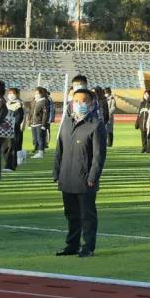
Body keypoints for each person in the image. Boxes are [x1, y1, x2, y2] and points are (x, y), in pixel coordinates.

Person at [53, 87, 107, 258]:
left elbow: (99, 155)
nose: (79, 104)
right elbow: (59, 149)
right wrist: (56, 172)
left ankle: (88, 246)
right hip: (67, 176)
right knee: (71, 214)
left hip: (85, 179)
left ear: (91, 103)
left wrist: (93, 176)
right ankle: (72, 244)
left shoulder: (96, 125)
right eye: (76, 101)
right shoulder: (67, 122)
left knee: (87, 215)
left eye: (84, 101)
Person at [5, 87, 26, 171]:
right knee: (8, 147)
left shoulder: (19, 104)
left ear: (17, 94)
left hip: (15, 129)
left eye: (12, 93)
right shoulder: (7, 103)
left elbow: (19, 118)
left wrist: (11, 125)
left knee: (14, 147)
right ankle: (11, 163)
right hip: (6, 129)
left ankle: (12, 165)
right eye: (9, 93)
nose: (10, 95)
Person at [29, 87, 52, 159]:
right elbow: (31, 112)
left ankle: (41, 152)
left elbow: (45, 114)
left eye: (38, 93)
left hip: (39, 123)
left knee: (40, 138)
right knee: (35, 139)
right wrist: (29, 122)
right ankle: (37, 151)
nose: (36, 95)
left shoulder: (44, 101)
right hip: (33, 123)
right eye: (35, 93)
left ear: (42, 93)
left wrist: (43, 125)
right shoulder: (35, 101)